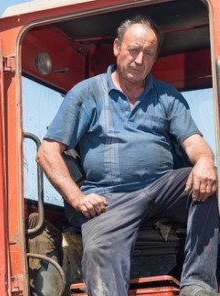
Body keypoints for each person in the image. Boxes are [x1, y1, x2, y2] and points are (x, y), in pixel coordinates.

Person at [36, 15, 218, 296]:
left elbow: (194, 143)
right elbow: (47, 152)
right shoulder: (87, 94)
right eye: (134, 50)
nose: (139, 59)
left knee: (208, 183)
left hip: (162, 191)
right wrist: (77, 198)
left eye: (148, 53)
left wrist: (205, 162)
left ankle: (197, 285)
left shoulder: (167, 97)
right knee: (99, 251)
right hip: (110, 200)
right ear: (117, 47)